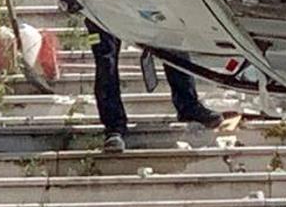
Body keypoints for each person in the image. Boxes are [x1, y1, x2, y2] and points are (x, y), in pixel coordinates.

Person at [84, 19, 223, 152]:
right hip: (100, 6)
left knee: (172, 38)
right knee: (105, 61)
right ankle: (113, 127)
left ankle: (188, 106)